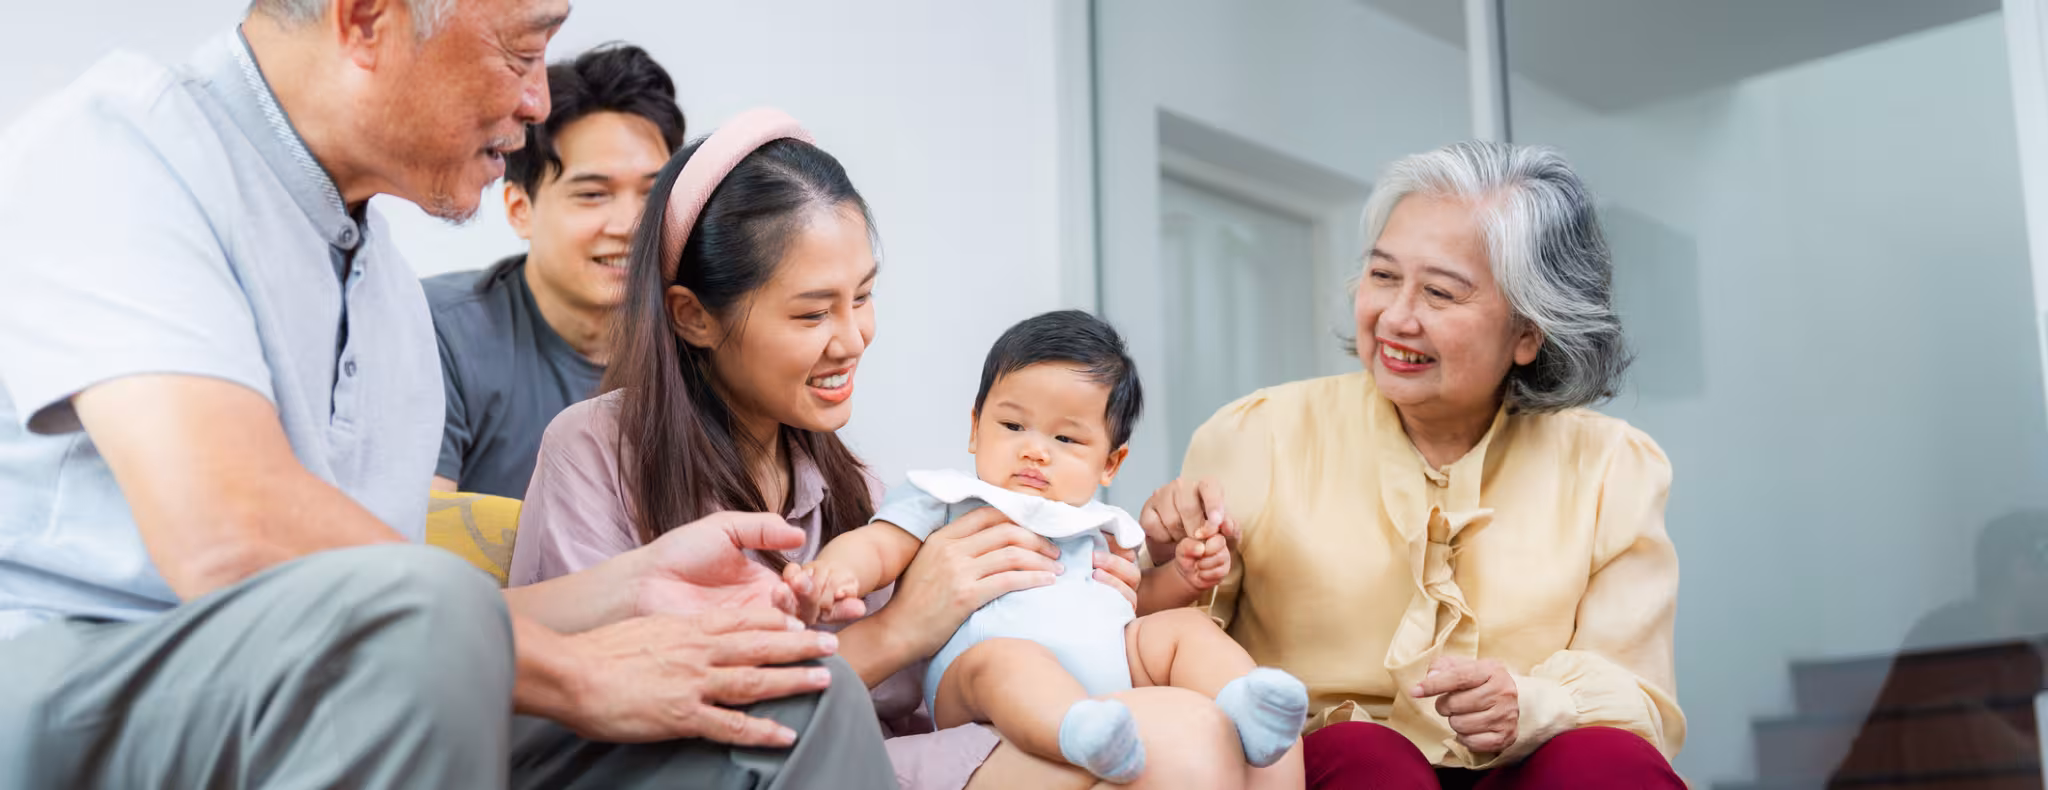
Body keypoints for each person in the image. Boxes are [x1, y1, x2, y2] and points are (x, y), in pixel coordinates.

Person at [0, 2, 893, 787]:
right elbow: (233, 538)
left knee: (790, 698)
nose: (539, 100)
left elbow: (387, 625)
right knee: (424, 613)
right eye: (520, 51)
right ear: (364, 20)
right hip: (73, 687)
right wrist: (585, 677)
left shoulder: (385, 294)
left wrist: (636, 590)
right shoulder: (121, 146)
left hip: (334, 686)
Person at [511, 108, 1300, 790]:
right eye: (812, 312)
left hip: (872, 756)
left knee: (1240, 730)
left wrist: (1101, 592)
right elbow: (625, 702)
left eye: (863, 296)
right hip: (716, 766)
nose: (852, 339)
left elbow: (919, 701)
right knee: (1183, 737)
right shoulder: (597, 449)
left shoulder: (849, 481)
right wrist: (902, 629)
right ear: (693, 317)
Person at [1138, 141, 1688, 790]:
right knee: (1367, 760)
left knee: (1605, 763)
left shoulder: (1612, 466)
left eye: (1440, 293)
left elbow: (1639, 698)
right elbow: (1164, 661)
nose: (1396, 318)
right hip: (1331, 772)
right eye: (1383, 276)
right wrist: (1168, 563)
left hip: (1522, 771)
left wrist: (1530, 703)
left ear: (1528, 333)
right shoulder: (1255, 435)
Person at [788, 309, 1309, 784]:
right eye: (1013, 426)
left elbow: (1133, 602)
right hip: (978, 686)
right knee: (1005, 658)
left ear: (1110, 463)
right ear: (975, 428)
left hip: (1111, 677)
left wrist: (1184, 578)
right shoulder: (949, 497)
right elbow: (877, 546)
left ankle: (1244, 701)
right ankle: (1077, 729)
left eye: (1066, 440)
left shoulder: (1100, 525)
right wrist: (836, 573)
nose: (1035, 450)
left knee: (1184, 629)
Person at [426, 42, 685, 499]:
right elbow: (417, 542)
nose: (630, 226)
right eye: (592, 194)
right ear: (519, 208)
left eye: (653, 193)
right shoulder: (439, 332)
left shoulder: (703, 342)